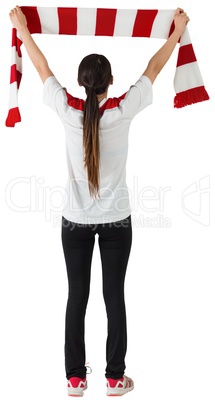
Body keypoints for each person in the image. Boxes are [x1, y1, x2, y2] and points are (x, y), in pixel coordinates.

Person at [9, 6, 189, 397]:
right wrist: (176, 33)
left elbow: (40, 66)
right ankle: (113, 379)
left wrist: (23, 28)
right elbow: (154, 67)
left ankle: (75, 379)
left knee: (77, 297)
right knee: (114, 298)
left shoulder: (67, 109)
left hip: (73, 221)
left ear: (80, 82)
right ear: (111, 81)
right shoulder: (123, 109)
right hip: (116, 223)